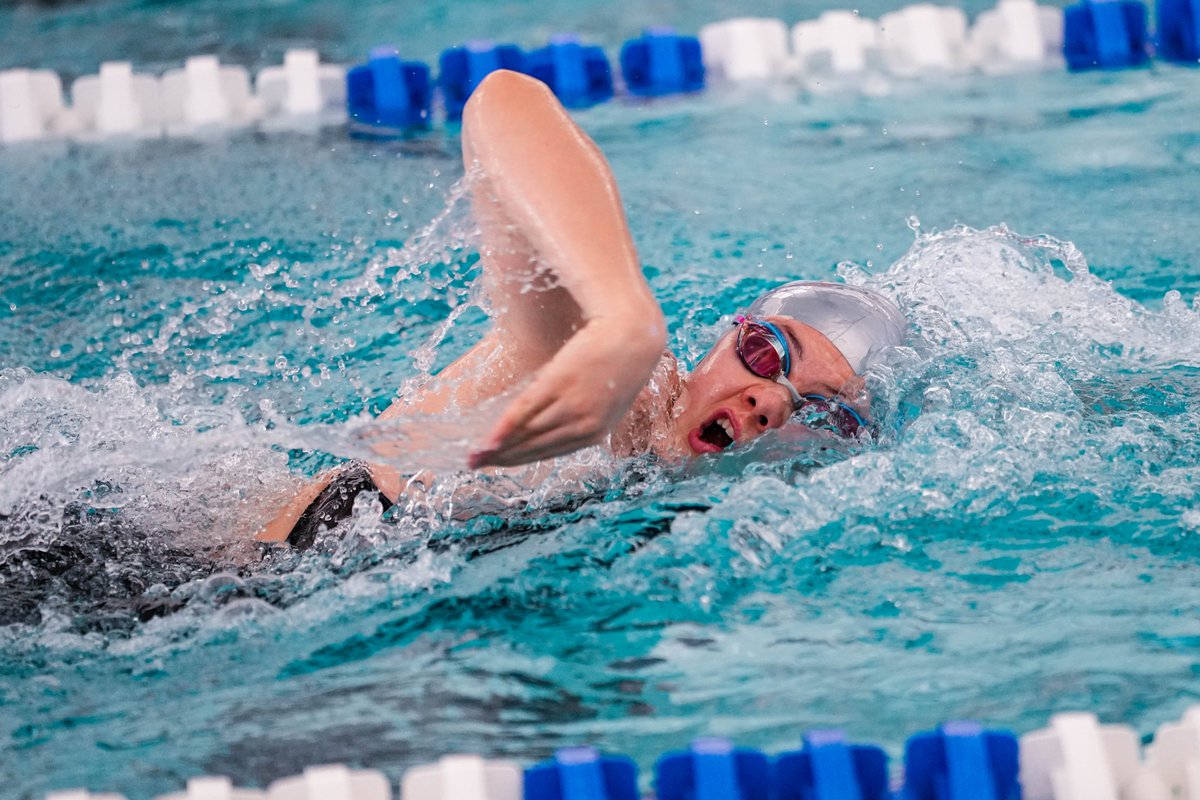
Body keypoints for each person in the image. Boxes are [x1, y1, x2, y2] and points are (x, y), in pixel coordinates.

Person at [257, 70, 906, 548]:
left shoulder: (686, 510)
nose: (771, 401)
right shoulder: (622, 388)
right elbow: (504, 101)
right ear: (722, 340)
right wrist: (624, 322)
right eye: (766, 353)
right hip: (228, 575)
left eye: (821, 411)